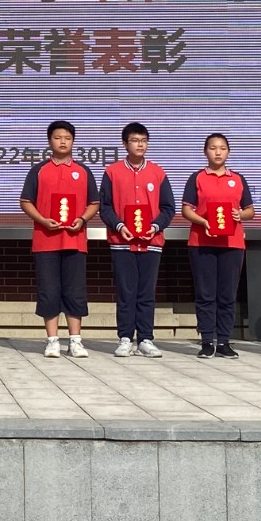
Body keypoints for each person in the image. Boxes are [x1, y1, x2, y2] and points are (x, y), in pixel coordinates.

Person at [19, 120, 100, 359]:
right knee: (49, 291)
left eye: (67, 138)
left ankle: (75, 341)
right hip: (46, 241)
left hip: (75, 241)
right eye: (57, 137)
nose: (62, 141)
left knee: (75, 291)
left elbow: (94, 203)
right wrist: (43, 220)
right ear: (49, 141)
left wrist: (82, 220)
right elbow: (25, 201)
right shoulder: (39, 170)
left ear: (73, 141)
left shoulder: (83, 171)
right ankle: (52, 340)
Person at [99, 122, 173, 358]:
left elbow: (168, 208)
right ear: (125, 144)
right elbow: (105, 207)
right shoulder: (112, 172)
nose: (140, 145)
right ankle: (125, 338)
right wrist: (119, 226)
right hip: (122, 242)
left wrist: (155, 226)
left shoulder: (158, 173)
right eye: (134, 140)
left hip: (151, 242)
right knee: (126, 291)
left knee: (146, 292)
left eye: (143, 141)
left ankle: (146, 339)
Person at [180, 133, 256, 359]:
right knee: (205, 294)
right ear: (206, 151)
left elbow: (250, 211)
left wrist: (240, 215)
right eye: (213, 148)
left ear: (228, 152)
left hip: (232, 243)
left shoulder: (238, 179)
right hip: (202, 242)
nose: (218, 152)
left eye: (222, 148)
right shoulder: (197, 178)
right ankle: (206, 341)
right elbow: (186, 209)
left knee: (227, 294)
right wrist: (203, 221)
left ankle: (223, 341)